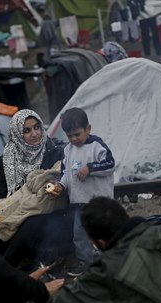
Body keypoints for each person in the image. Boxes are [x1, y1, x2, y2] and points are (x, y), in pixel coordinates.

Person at [0, 109, 66, 255]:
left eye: (37, 127)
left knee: (25, 225)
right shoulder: (7, 159)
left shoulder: (56, 151)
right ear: (17, 134)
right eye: (26, 130)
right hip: (16, 207)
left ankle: (10, 269)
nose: (35, 134)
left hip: (48, 212)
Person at [48, 107, 115, 276]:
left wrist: (90, 168)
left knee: (103, 231)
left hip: (99, 201)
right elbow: (66, 173)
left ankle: (112, 259)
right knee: (79, 235)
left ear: (88, 129)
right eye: (70, 136)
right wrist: (61, 186)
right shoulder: (67, 150)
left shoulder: (96, 145)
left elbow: (110, 164)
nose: (74, 139)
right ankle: (87, 263)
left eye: (77, 134)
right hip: (79, 202)